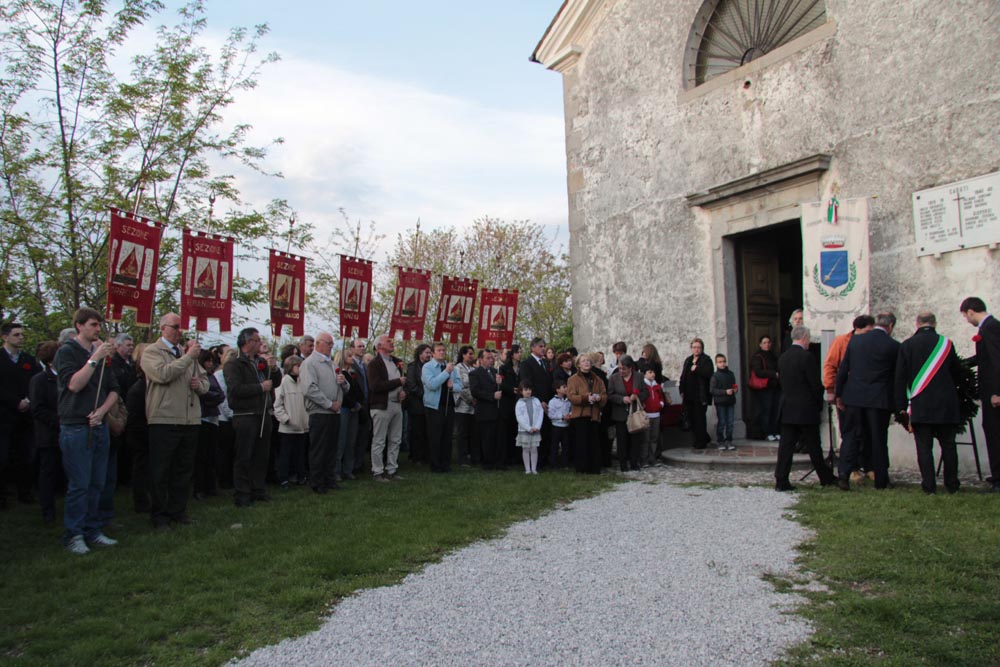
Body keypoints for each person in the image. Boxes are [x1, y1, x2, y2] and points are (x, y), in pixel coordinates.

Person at [53, 308, 120, 553]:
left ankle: (93, 529)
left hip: (98, 423)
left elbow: (113, 389)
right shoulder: (67, 352)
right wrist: (94, 359)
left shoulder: (101, 353)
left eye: (99, 325)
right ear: (79, 326)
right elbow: (74, 384)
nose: (97, 329)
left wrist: (102, 411)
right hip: (75, 425)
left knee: (97, 482)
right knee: (80, 483)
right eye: (93, 324)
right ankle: (74, 534)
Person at [141, 313, 208, 528]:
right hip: (164, 418)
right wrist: (188, 357)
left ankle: (178, 511)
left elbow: (204, 380)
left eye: (181, 327)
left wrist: (200, 385)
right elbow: (162, 374)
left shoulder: (185, 353)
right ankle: (160, 514)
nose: (180, 331)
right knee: (161, 470)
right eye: (175, 327)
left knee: (183, 470)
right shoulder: (152, 351)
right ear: (163, 328)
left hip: (189, 419)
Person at [894, 312, 963, 494]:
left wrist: (900, 407)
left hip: (920, 403)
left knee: (924, 447)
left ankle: (929, 486)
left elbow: (900, 378)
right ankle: (952, 485)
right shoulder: (946, 344)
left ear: (917, 324)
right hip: (945, 403)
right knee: (949, 445)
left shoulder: (907, 345)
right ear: (935, 323)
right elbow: (956, 372)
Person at [835, 312, 900, 490]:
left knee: (850, 436)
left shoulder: (856, 341)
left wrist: (838, 394)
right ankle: (881, 480)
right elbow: (897, 377)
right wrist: (898, 403)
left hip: (854, 397)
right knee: (878, 439)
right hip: (879, 399)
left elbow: (843, 369)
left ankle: (844, 474)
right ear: (891, 326)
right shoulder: (893, 346)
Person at [224, 327, 282, 505]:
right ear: (248, 342)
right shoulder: (234, 364)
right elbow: (235, 389)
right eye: (257, 340)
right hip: (245, 414)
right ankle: (242, 493)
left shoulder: (260, 362)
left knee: (261, 455)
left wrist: (274, 369)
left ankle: (258, 489)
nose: (260, 343)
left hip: (263, 413)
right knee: (244, 455)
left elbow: (275, 382)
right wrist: (260, 387)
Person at [774, 326, 836, 491]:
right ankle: (825, 477)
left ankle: (781, 479)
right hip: (806, 408)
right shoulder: (807, 357)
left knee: (786, 447)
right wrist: (818, 404)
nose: (809, 342)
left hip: (788, 408)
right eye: (808, 339)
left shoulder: (783, 357)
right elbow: (815, 385)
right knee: (814, 446)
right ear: (804, 338)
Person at [823, 315, 874, 481]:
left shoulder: (870, 342)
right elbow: (830, 365)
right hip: (846, 393)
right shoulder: (842, 341)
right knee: (850, 432)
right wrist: (831, 389)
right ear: (858, 329)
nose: (870, 334)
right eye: (868, 331)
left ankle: (867, 465)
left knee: (867, 431)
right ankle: (851, 468)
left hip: (866, 394)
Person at [299, 332, 347, 494]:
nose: (331, 346)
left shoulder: (332, 364)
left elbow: (344, 387)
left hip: (334, 412)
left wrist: (343, 383)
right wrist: (328, 403)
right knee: (319, 448)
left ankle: (329, 478)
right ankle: (317, 481)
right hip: (320, 412)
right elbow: (309, 389)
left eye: (332, 343)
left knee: (332, 448)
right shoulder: (310, 363)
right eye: (329, 343)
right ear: (318, 343)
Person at [961, 296, 1000, 492]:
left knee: (995, 432)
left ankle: (998, 479)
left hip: (994, 393)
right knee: (991, 430)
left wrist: (997, 392)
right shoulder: (989, 327)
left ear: (971, 312)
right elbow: (984, 357)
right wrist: (962, 364)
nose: (967, 320)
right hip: (990, 392)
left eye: (965, 316)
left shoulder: (990, 327)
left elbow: (997, 360)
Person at [0, 321, 40, 508]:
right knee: (3, 457)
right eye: (16, 335)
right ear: (5, 337)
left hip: (25, 417)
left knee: (26, 456)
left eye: (22, 334)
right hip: (5, 415)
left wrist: (28, 400)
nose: (21, 338)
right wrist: (15, 401)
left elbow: (35, 382)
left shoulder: (28, 360)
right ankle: (3, 496)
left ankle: (25, 492)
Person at [29, 341, 61, 524]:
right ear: (50, 361)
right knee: (48, 472)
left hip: (68, 432)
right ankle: (48, 511)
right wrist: (59, 421)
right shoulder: (39, 380)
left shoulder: (67, 377)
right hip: (48, 434)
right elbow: (37, 409)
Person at [367, 334, 406, 481]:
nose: (392, 342)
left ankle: (392, 469)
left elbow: (403, 382)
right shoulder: (374, 364)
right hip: (381, 406)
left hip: (397, 404)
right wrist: (398, 382)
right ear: (379, 346)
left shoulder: (397, 362)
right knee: (379, 440)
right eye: (388, 341)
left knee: (395, 439)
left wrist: (403, 391)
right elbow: (375, 386)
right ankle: (377, 471)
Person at [567, 354, 608, 473]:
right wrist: (585, 398)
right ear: (578, 365)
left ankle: (594, 468)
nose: (586, 363)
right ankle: (582, 468)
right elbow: (571, 396)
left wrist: (599, 398)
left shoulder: (597, 379)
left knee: (594, 442)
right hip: (580, 415)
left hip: (594, 415)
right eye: (583, 361)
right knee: (582, 443)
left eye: (588, 361)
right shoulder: (573, 379)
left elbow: (604, 395)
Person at [423, 342, 460, 474]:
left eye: (443, 350)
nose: (442, 352)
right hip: (434, 406)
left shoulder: (451, 367)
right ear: (433, 353)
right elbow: (432, 385)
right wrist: (446, 372)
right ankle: (435, 464)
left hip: (449, 405)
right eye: (439, 350)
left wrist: (453, 386)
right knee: (435, 436)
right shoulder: (427, 367)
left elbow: (459, 385)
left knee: (447, 436)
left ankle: (446, 464)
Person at [193, 349, 225, 500]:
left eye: (211, 361)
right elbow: (203, 393)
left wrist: (211, 396)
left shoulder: (211, 376)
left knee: (211, 455)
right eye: (207, 361)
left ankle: (211, 486)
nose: (210, 363)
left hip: (212, 417)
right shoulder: (197, 375)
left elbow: (220, 395)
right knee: (200, 455)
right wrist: (211, 395)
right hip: (201, 417)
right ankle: (199, 488)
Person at [273, 355, 309, 488]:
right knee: (286, 454)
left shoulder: (302, 382)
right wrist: (285, 419)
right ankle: (284, 478)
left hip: (302, 425)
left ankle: (301, 476)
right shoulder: (283, 382)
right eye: (298, 366)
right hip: (288, 427)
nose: (300, 368)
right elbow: (277, 405)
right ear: (290, 367)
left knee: (300, 453)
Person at [607, 354, 648, 471]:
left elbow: (646, 393)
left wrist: (637, 396)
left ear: (630, 367)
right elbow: (610, 395)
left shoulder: (638, 377)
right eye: (620, 368)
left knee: (635, 440)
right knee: (622, 440)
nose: (621, 371)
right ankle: (623, 464)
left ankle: (634, 463)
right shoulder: (614, 378)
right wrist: (622, 399)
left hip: (635, 413)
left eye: (624, 369)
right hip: (620, 414)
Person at [519, 337, 555, 465]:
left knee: (546, 431)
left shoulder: (545, 363)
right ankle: (535, 461)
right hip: (534, 402)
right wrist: (539, 400)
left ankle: (545, 458)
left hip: (547, 402)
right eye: (540, 346)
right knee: (535, 431)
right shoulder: (526, 363)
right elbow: (527, 384)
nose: (543, 348)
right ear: (532, 347)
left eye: (544, 346)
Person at [126, 343, 151, 513]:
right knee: (142, 467)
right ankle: (141, 501)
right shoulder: (138, 389)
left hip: (150, 432)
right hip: (141, 433)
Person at [469, 349, 503, 470]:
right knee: (486, 438)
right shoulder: (475, 373)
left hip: (496, 410)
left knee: (496, 437)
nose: (491, 360)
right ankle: (487, 462)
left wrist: (500, 383)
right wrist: (492, 396)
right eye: (488, 358)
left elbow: (499, 389)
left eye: (491, 358)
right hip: (484, 410)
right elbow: (475, 391)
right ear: (481, 359)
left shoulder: (495, 371)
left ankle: (497, 461)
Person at [333, 348, 363, 481]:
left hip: (354, 409)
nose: (352, 358)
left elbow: (357, 391)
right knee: (341, 441)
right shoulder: (339, 374)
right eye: (349, 356)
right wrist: (353, 404)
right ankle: (336, 470)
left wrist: (359, 403)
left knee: (351, 441)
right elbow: (342, 394)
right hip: (344, 409)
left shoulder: (352, 373)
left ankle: (348, 469)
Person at [679, 338, 713, 448]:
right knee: (691, 418)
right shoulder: (688, 360)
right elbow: (683, 375)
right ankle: (702, 438)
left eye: (698, 347)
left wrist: (697, 369)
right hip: (689, 395)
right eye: (694, 347)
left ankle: (701, 442)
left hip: (700, 395)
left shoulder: (706, 360)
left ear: (702, 348)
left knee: (700, 419)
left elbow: (709, 374)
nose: (696, 349)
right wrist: (681, 389)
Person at [213, 348, 236, 490]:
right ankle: (224, 479)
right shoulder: (219, 375)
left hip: (236, 416)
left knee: (234, 450)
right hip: (223, 418)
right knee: (224, 451)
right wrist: (231, 414)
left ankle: (232, 478)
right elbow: (222, 398)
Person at [404, 344, 431, 464]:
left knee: (426, 430)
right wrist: (425, 394)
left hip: (428, 404)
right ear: (420, 354)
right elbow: (411, 385)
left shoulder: (431, 366)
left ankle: (425, 455)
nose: (429, 355)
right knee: (417, 431)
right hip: (416, 404)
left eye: (430, 353)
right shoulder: (412, 367)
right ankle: (415, 456)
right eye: (427, 352)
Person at [749, 335, 780, 441]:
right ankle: (766, 432)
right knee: (766, 410)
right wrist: (773, 374)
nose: (767, 344)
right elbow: (758, 372)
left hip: (775, 386)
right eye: (764, 342)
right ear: (760, 344)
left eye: (768, 342)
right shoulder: (758, 356)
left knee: (775, 410)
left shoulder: (773, 355)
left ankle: (775, 431)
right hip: (764, 388)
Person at [349, 339, 372, 476]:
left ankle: (359, 463)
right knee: (353, 437)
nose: (362, 348)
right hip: (356, 404)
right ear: (352, 348)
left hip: (367, 403)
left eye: (363, 346)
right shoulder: (351, 365)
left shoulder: (364, 365)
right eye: (359, 346)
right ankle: (351, 465)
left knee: (363, 436)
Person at [453, 345, 478, 466]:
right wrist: (470, 399)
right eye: (469, 353)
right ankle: (462, 459)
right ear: (463, 355)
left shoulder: (473, 369)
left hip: (474, 406)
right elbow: (460, 386)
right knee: (462, 433)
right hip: (462, 405)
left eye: (473, 354)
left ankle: (471, 456)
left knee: (472, 432)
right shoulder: (457, 368)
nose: (472, 356)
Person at [710, 354, 738, 450]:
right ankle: (720, 441)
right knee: (721, 422)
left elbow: (734, 385)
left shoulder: (730, 374)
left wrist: (735, 389)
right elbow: (712, 390)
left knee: (730, 422)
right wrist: (725, 392)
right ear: (716, 363)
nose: (722, 364)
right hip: (720, 403)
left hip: (730, 401)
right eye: (720, 362)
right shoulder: (715, 376)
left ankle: (729, 440)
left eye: (724, 361)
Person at [639, 367, 666, 464]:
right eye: (650, 372)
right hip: (646, 415)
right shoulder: (642, 385)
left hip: (656, 415)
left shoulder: (657, 386)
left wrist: (661, 404)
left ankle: (652, 457)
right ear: (644, 374)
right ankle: (644, 458)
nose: (653, 374)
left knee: (654, 437)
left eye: (653, 372)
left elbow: (661, 397)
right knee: (645, 438)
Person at [515, 380, 543, 474]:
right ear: (521, 391)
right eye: (525, 389)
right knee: (526, 449)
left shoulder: (536, 400)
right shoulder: (519, 403)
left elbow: (540, 414)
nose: (528, 391)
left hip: (535, 429)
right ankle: (527, 469)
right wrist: (528, 428)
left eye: (529, 389)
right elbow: (519, 417)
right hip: (525, 430)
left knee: (534, 449)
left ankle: (534, 469)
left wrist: (537, 426)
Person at [548, 379, 572, 467]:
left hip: (566, 426)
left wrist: (570, 415)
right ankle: (553, 463)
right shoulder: (552, 401)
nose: (566, 389)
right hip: (556, 426)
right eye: (564, 387)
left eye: (566, 387)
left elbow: (571, 410)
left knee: (566, 446)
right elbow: (551, 415)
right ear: (557, 390)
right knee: (555, 445)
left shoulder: (568, 401)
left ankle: (565, 463)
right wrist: (562, 417)